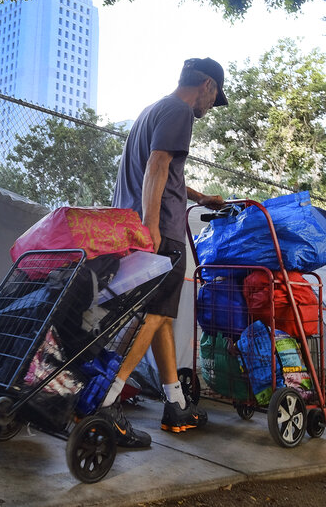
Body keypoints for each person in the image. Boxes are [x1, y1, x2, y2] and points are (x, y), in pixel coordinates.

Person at [98, 57, 228, 448]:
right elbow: (156, 165)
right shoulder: (180, 111)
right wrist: (152, 226)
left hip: (134, 226)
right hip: (161, 233)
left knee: (162, 317)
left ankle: (176, 405)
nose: (211, 106)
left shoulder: (152, 111)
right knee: (152, 315)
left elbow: (162, 170)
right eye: (214, 97)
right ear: (206, 84)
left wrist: (201, 197)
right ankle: (102, 402)